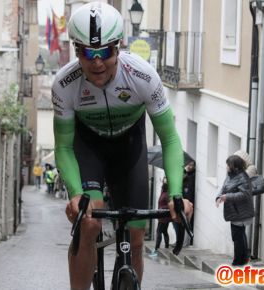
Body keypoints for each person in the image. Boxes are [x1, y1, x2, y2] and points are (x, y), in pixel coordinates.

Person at [51, 2, 193, 289]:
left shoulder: (143, 76)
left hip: (129, 146)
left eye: (105, 51)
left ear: (118, 46)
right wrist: (77, 194)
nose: (97, 62)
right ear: (77, 52)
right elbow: (64, 148)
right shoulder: (64, 84)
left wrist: (177, 193)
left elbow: (169, 138)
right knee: (88, 221)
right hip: (88, 147)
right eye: (88, 53)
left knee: (137, 237)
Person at [215, 155, 254, 266]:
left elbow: (245, 194)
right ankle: (243, 259)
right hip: (234, 211)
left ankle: (238, 262)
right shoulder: (230, 176)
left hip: (240, 212)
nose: (226, 167)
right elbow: (224, 188)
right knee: (239, 235)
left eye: (228, 165)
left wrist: (227, 197)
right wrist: (218, 197)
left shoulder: (243, 177)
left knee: (237, 236)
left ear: (234, 166)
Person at [149, 178, 171, 257]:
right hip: (161, 216)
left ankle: (156, 248)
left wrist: (162, 208)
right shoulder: (163, 193)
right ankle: (166, 246)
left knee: (159, 232)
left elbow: (169, 205)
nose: (162, 186)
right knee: (164, 232)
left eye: (163, 186)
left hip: (164, 217)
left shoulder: (167, 194)